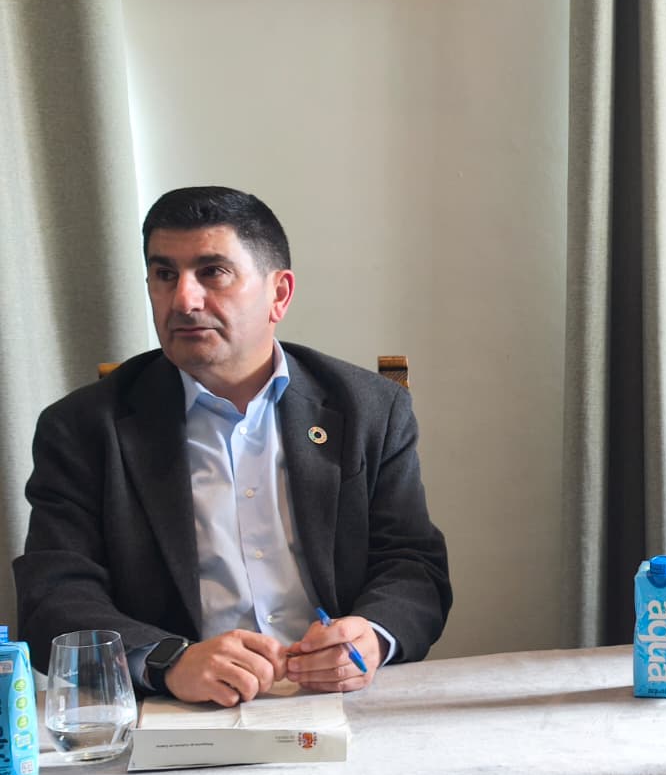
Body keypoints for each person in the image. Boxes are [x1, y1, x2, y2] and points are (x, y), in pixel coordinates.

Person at [13, 187, 451, 704]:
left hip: (342, 700)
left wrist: (372, 636)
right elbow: (53, 596)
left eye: (212, 272)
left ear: (279, 295)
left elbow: (412, 565)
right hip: (180, 710)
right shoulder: (84, 427)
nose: (183, 300)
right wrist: (166, 660)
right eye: (164, 274)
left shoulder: (369, 409)